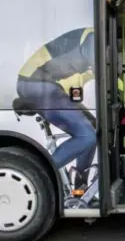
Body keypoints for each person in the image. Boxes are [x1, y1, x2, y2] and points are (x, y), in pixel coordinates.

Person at [16, 27, 98, 189]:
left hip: (48, 86)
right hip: (36, 83)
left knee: (93, 130)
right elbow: (100, 69)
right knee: (87, 136)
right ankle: (36, 179)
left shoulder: (94, 41)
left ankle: (80, 187)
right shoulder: (94, 37)